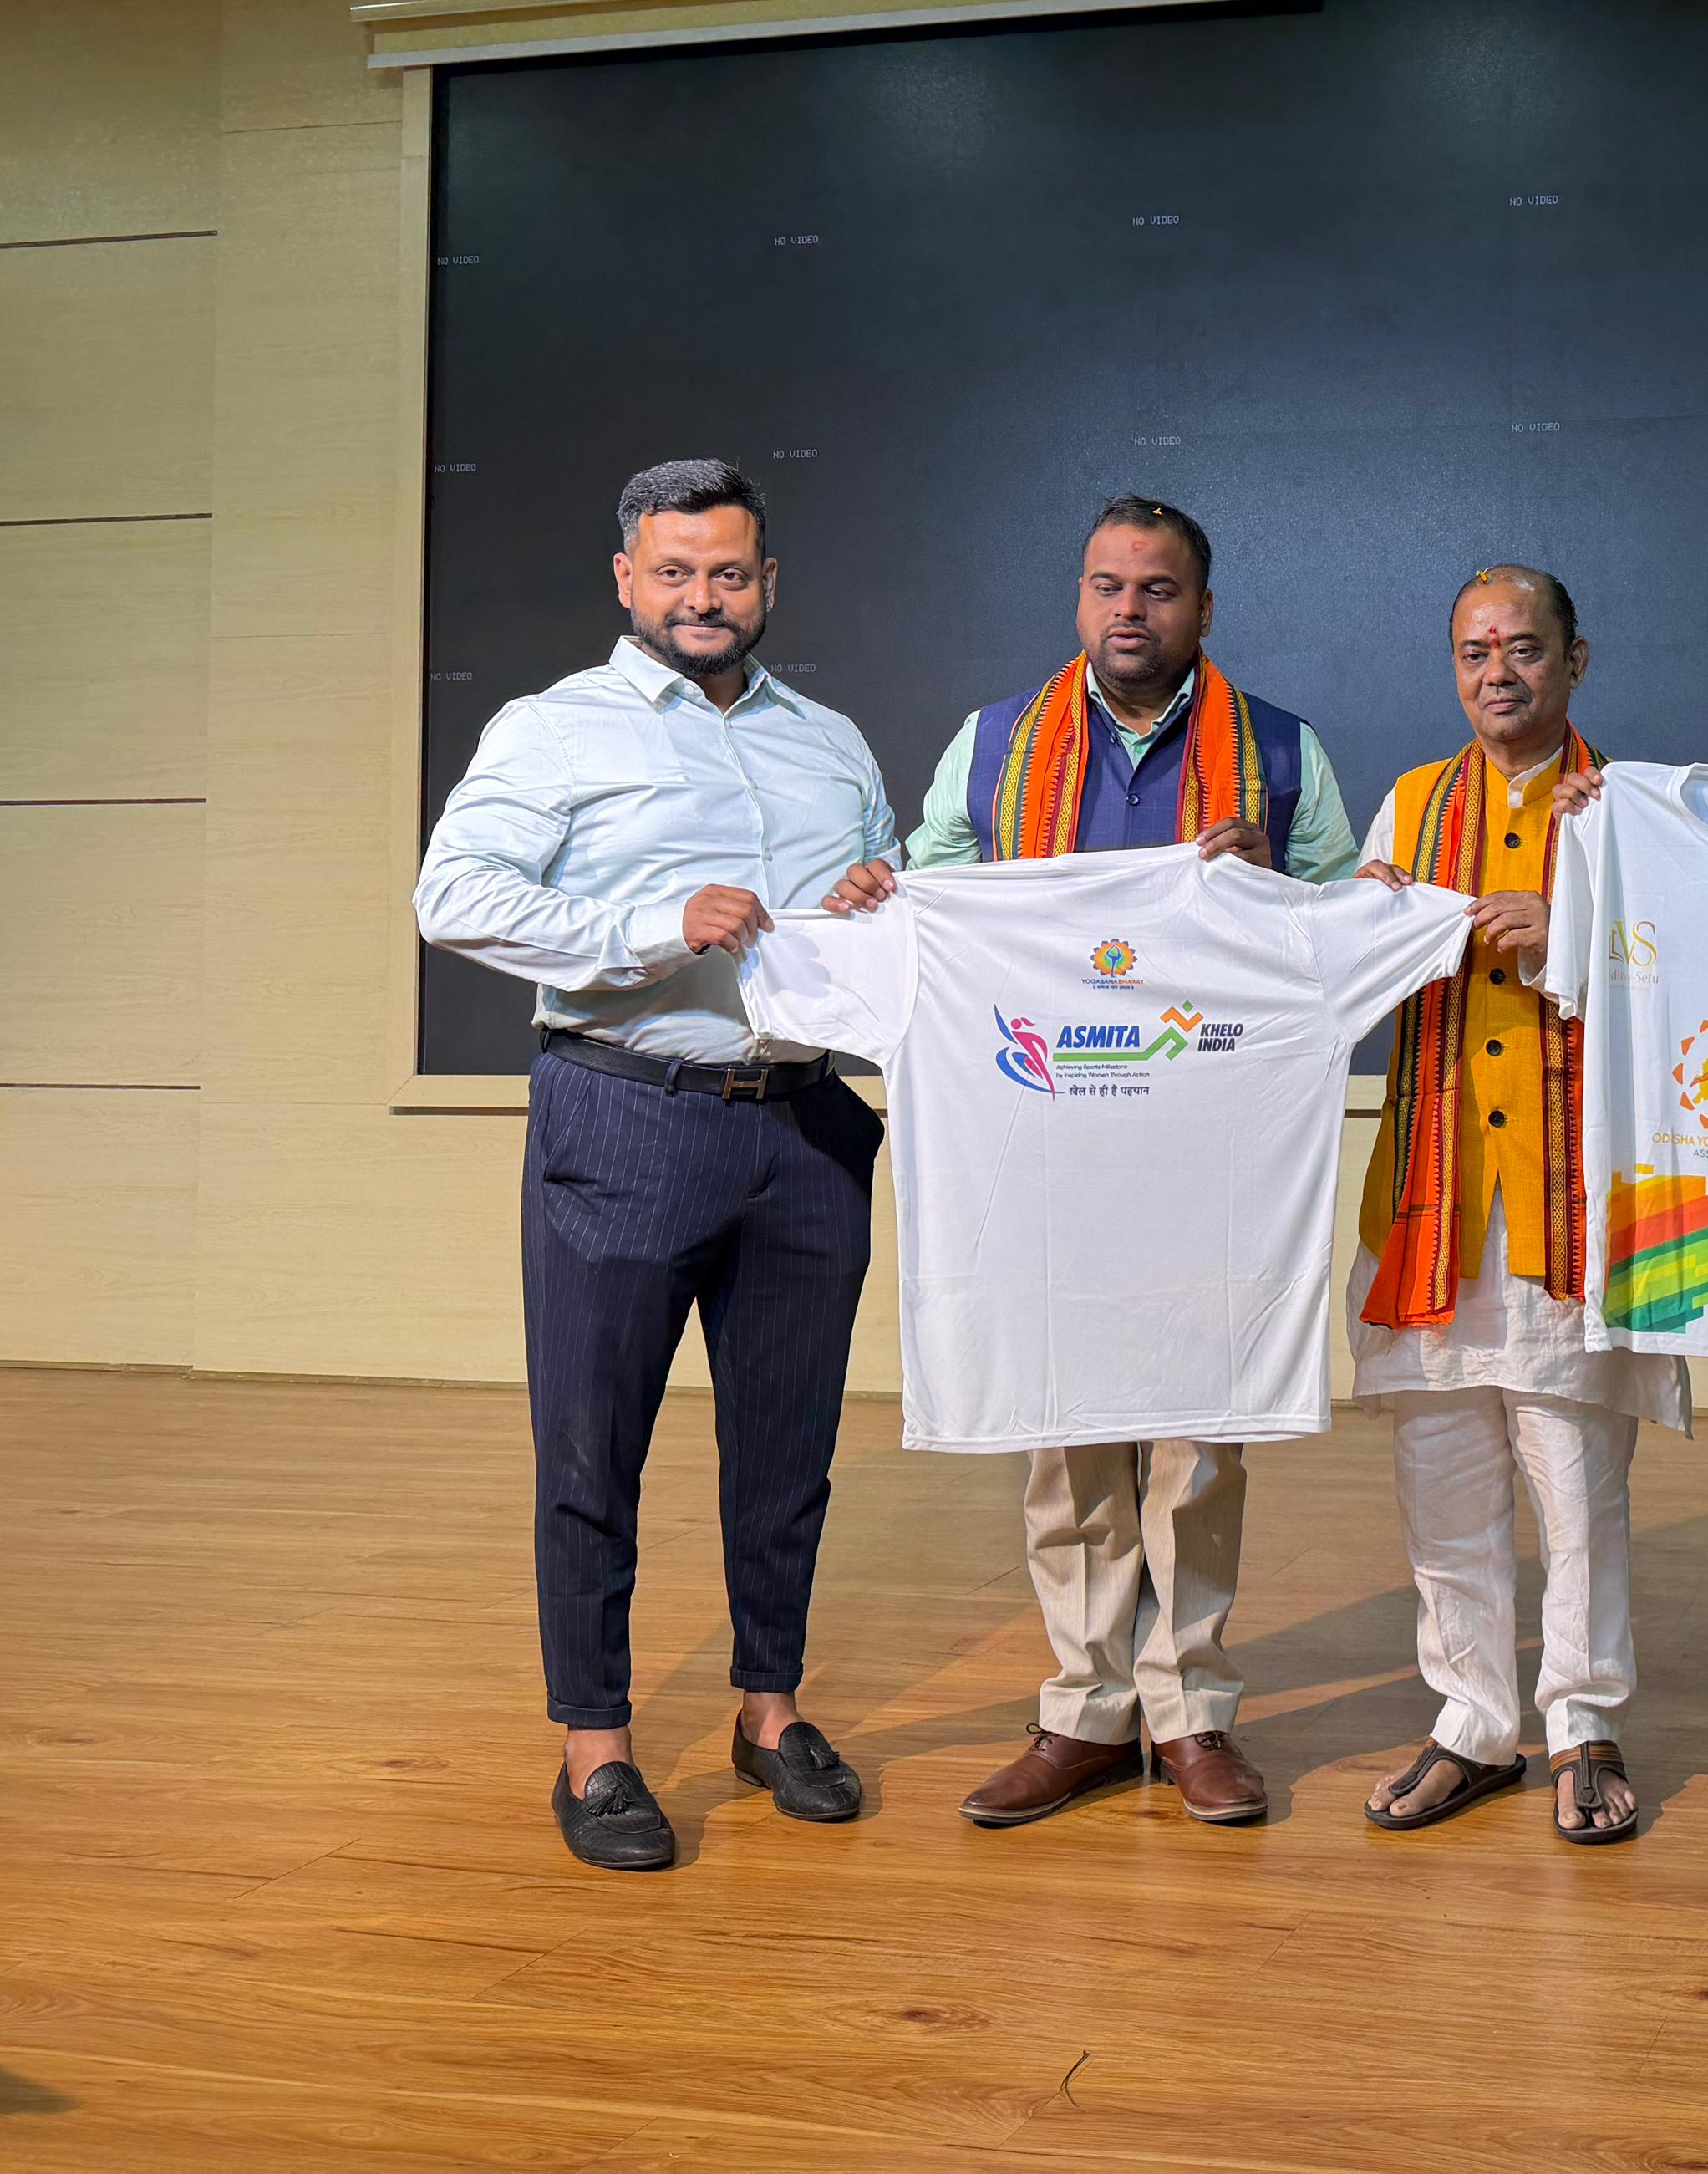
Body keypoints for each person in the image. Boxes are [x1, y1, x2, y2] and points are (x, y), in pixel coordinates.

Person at [830, 496, 1360, 1833]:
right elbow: (927, 900)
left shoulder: (1281, 753)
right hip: (1047, 1146)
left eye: (1159, 589)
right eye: (1108, 585)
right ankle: (1084, 1709)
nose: (1131, 609)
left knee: (1196, 1442)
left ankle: (1191, 1713)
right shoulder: (994, 744)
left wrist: (1279, 892)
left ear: (1203, 609)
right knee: (1066, 1431)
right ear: (1080, 598)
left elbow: (1350, 929)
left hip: (1208, 1156)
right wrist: (877, 893)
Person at [415, 459, 892, 1872]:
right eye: (674, 572)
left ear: (766, 583)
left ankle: (769, 1712)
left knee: (790, 1445)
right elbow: (452, 895)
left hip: (804, 1126)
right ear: (627, 579)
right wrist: (652, 925)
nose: (703, 597)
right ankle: (597, 1747)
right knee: (591, 1447)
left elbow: (875, 921)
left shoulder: (833, 743)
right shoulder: (553, 728)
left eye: (728, 573)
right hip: (625, 1113)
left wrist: (879, 898)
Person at [1348, 567, 1686, 1846]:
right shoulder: (1409, 804)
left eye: (1525, 649)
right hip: (1434, 1197)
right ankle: (1474, 1720)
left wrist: (1570, 935)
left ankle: (1584, 1720)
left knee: (1576, 1477)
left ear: (1574, 660)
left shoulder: (1631, 812)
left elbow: (1685, 985)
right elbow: (1352, 967)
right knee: (1441, 1473)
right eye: (1476, 652)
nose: (1499, 672)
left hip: (1571, 1201)